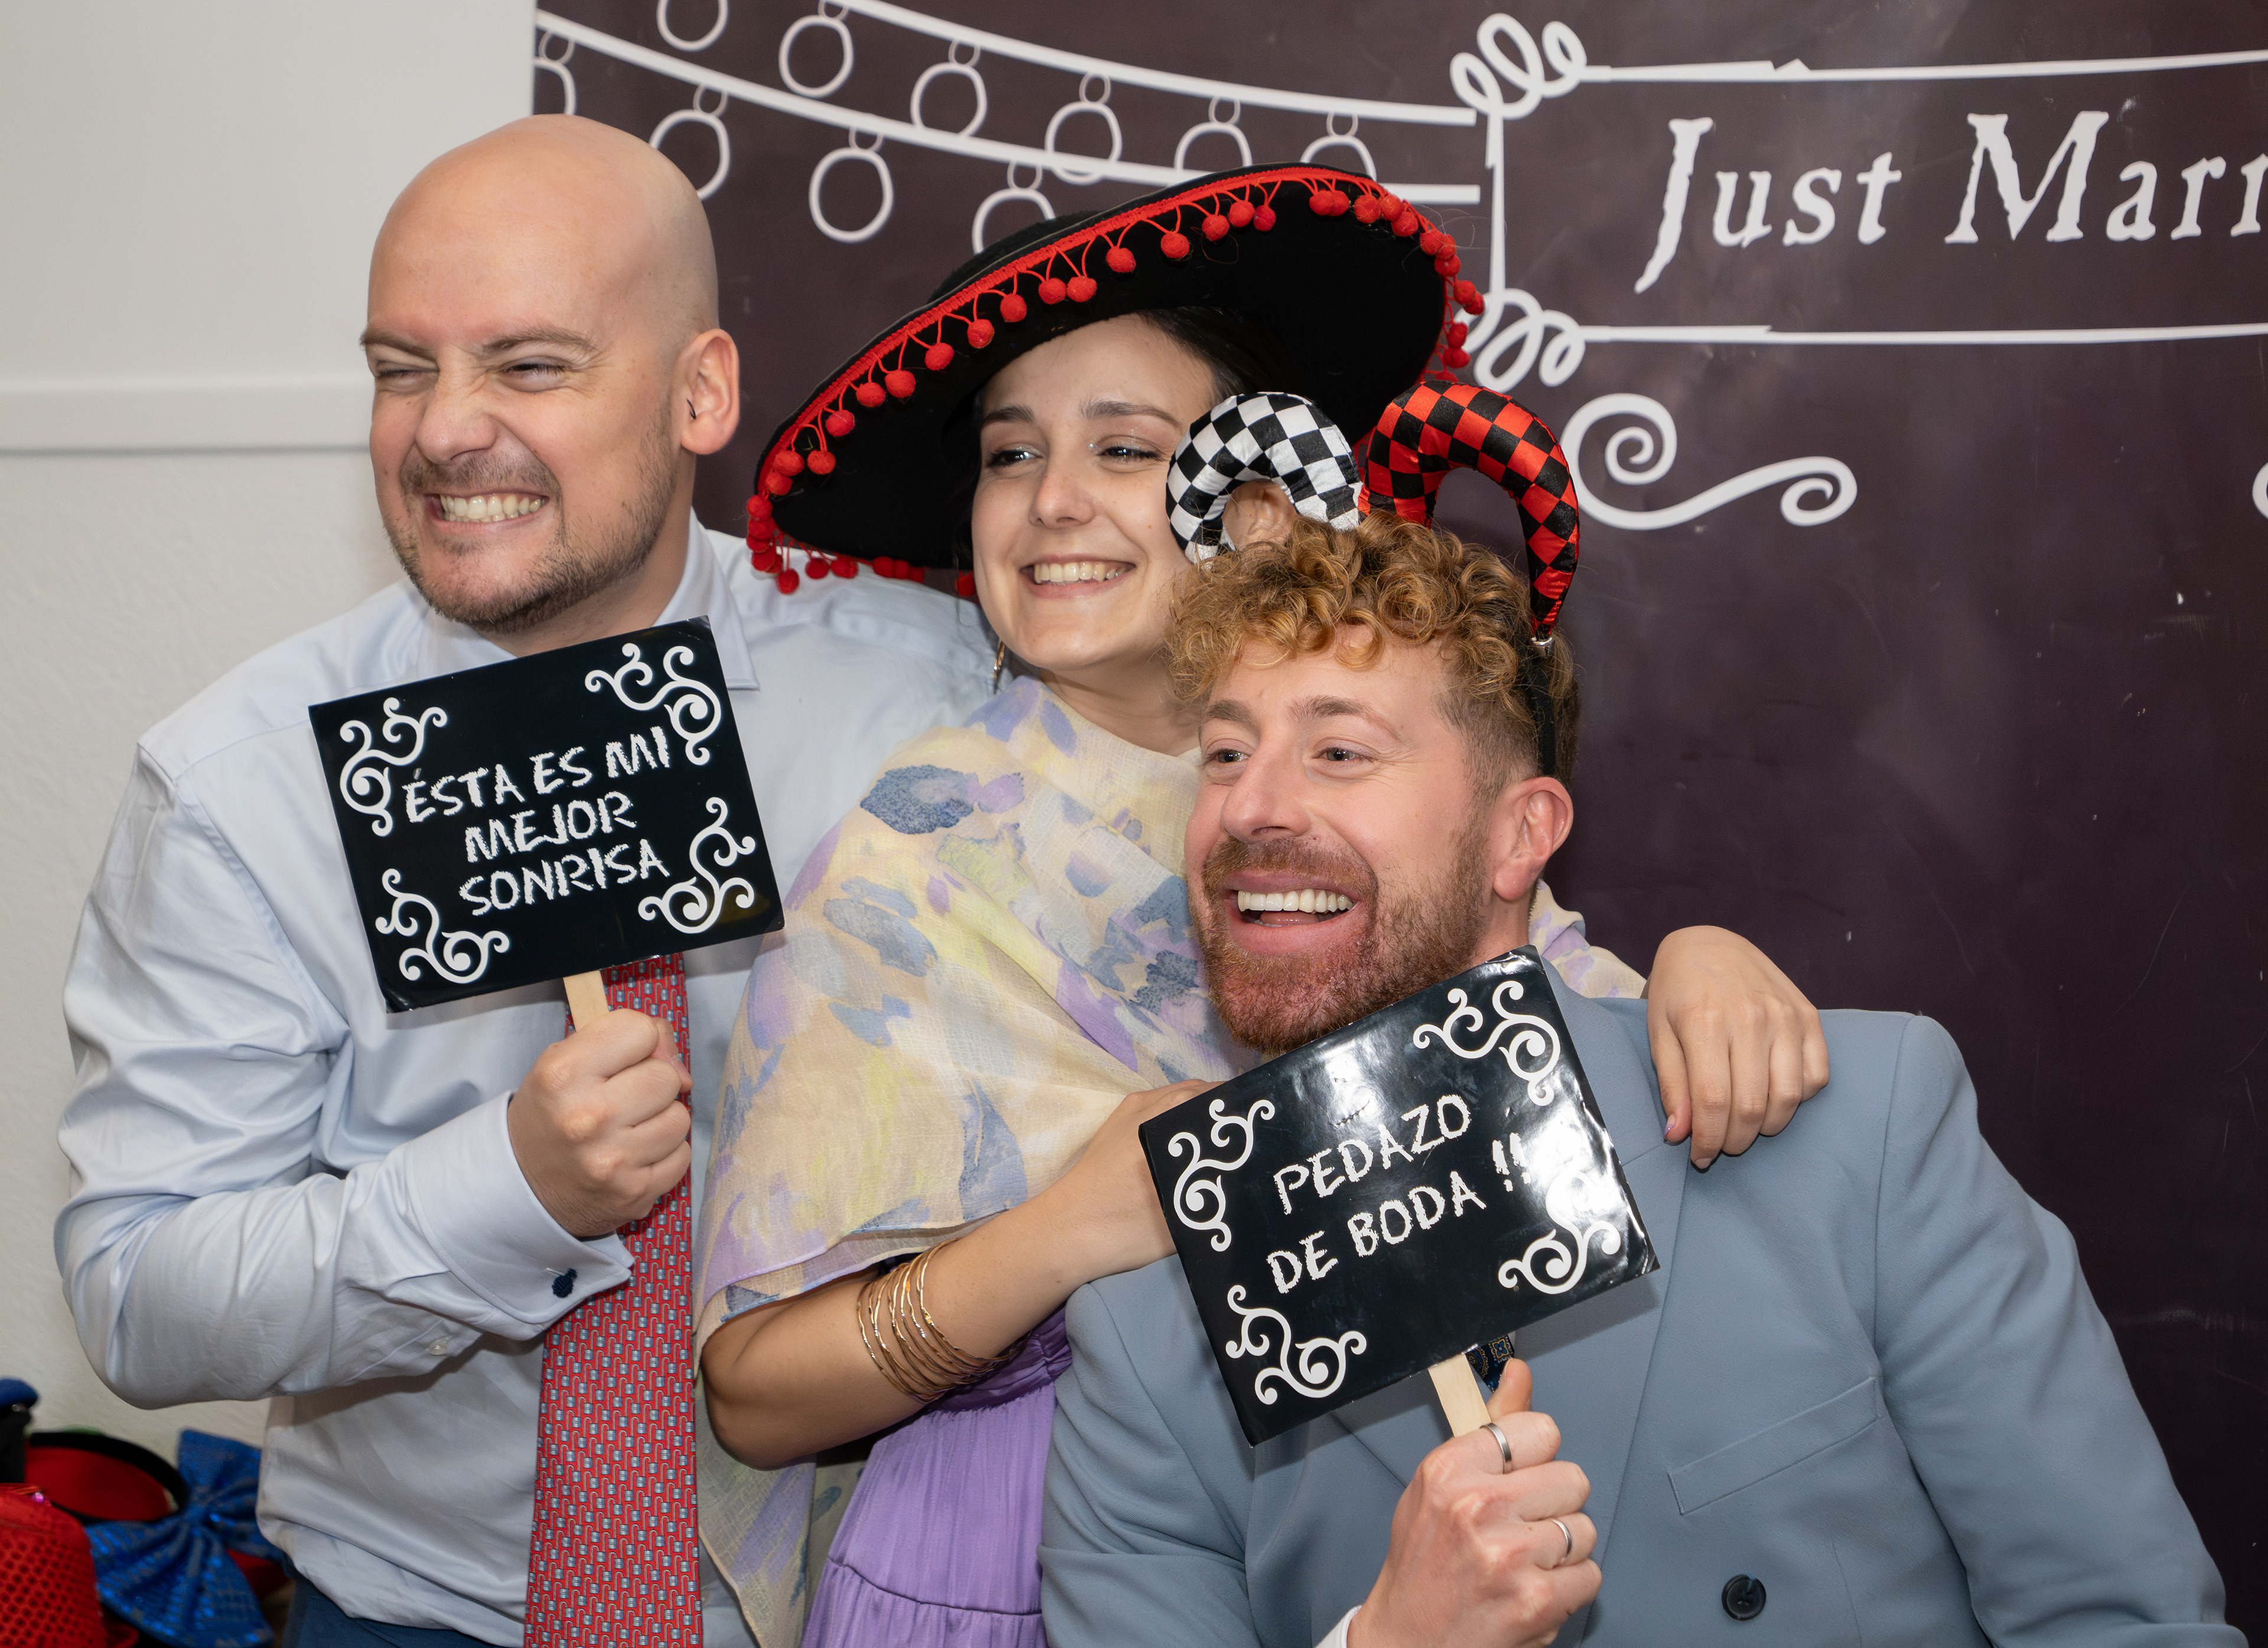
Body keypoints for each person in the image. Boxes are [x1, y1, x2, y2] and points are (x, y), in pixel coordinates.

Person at [696, 165, 1829, 1648]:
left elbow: (1567, 1053)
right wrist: (1064, 1230)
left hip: (1401, 1534)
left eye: (1124, 447)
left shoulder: (1380, 796)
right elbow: (755, 1392)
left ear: (1254, 501)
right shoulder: (911, 865)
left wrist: (1699, 968)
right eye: (1009, 451)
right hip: (1015, 1572)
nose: (1052, 499)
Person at [55, 115, 995, 1646]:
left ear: (700, 392)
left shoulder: (930, 705)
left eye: (530, 365)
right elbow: (137, 1288)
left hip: (869, 1599)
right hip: (419, 1609)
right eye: (400, 369)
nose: (445, 430)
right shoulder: (243, 787)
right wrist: (507, 1188)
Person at [1039, 509, 2239, 1647]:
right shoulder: (1148, 1336)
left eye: (1340, 750)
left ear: (1521, 834)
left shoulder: (1856, 1134)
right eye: (1224, 753)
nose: (1248, 806)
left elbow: (2126, 1623)